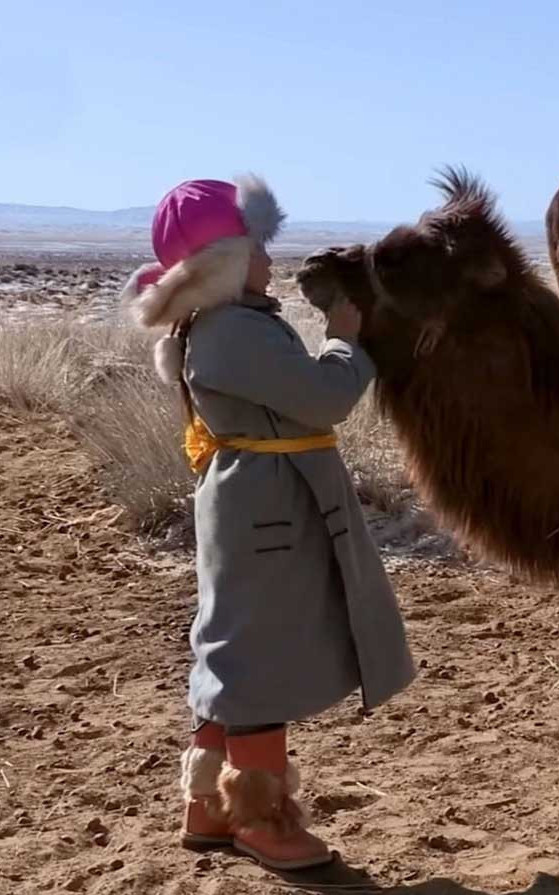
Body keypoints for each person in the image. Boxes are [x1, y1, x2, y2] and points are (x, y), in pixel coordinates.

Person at [121, 177, 416, 870]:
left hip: (262, 505)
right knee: (257, 658)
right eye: (256, 246)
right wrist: (345, 342)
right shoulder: (232, 329)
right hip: (268, 511)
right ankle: (261, 817)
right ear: (223, 259)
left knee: (236, 649)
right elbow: (322, 398)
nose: (269, 259)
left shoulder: (224, 324)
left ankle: (210, 806)